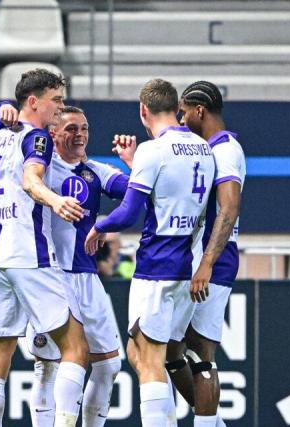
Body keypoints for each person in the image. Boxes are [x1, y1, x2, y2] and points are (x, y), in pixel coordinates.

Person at [0, 102, 129, 427]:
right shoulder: (41, 166)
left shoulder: (96, 172)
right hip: (48, 273)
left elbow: (137, 194)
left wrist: (105, 224)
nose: (79, 135)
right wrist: (3, 109)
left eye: (84, 129)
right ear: (53, 133)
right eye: (70, 129)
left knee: (109, 365)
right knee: (48, 366)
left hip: (87, 277)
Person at [85, 78, 216, 427]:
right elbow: (173, 193)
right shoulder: (204, 147)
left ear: (143, 110)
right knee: (138, 353)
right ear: (176, 109)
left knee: (151, 359)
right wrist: (134, 164)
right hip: (189, 265)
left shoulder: (152, 150)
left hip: (157, 265)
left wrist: (99, 227)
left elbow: (129, 212)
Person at [0, 68, 88, 427]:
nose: (60, 109)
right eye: (55, 101)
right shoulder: (36, 138)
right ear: (32, 102)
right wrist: (55, 201)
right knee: (75, 349)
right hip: (30, 252)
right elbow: (31, 180)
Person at [155, 81, 243, 427]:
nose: (180, 119)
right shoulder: (207, 149)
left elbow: (229, 208)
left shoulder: (225, 151)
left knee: (202, 355)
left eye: (184, 112)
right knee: (172, 351)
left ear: (200, 111)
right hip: (197, 260)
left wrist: (206, 263)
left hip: (214, 261)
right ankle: (213, 423)